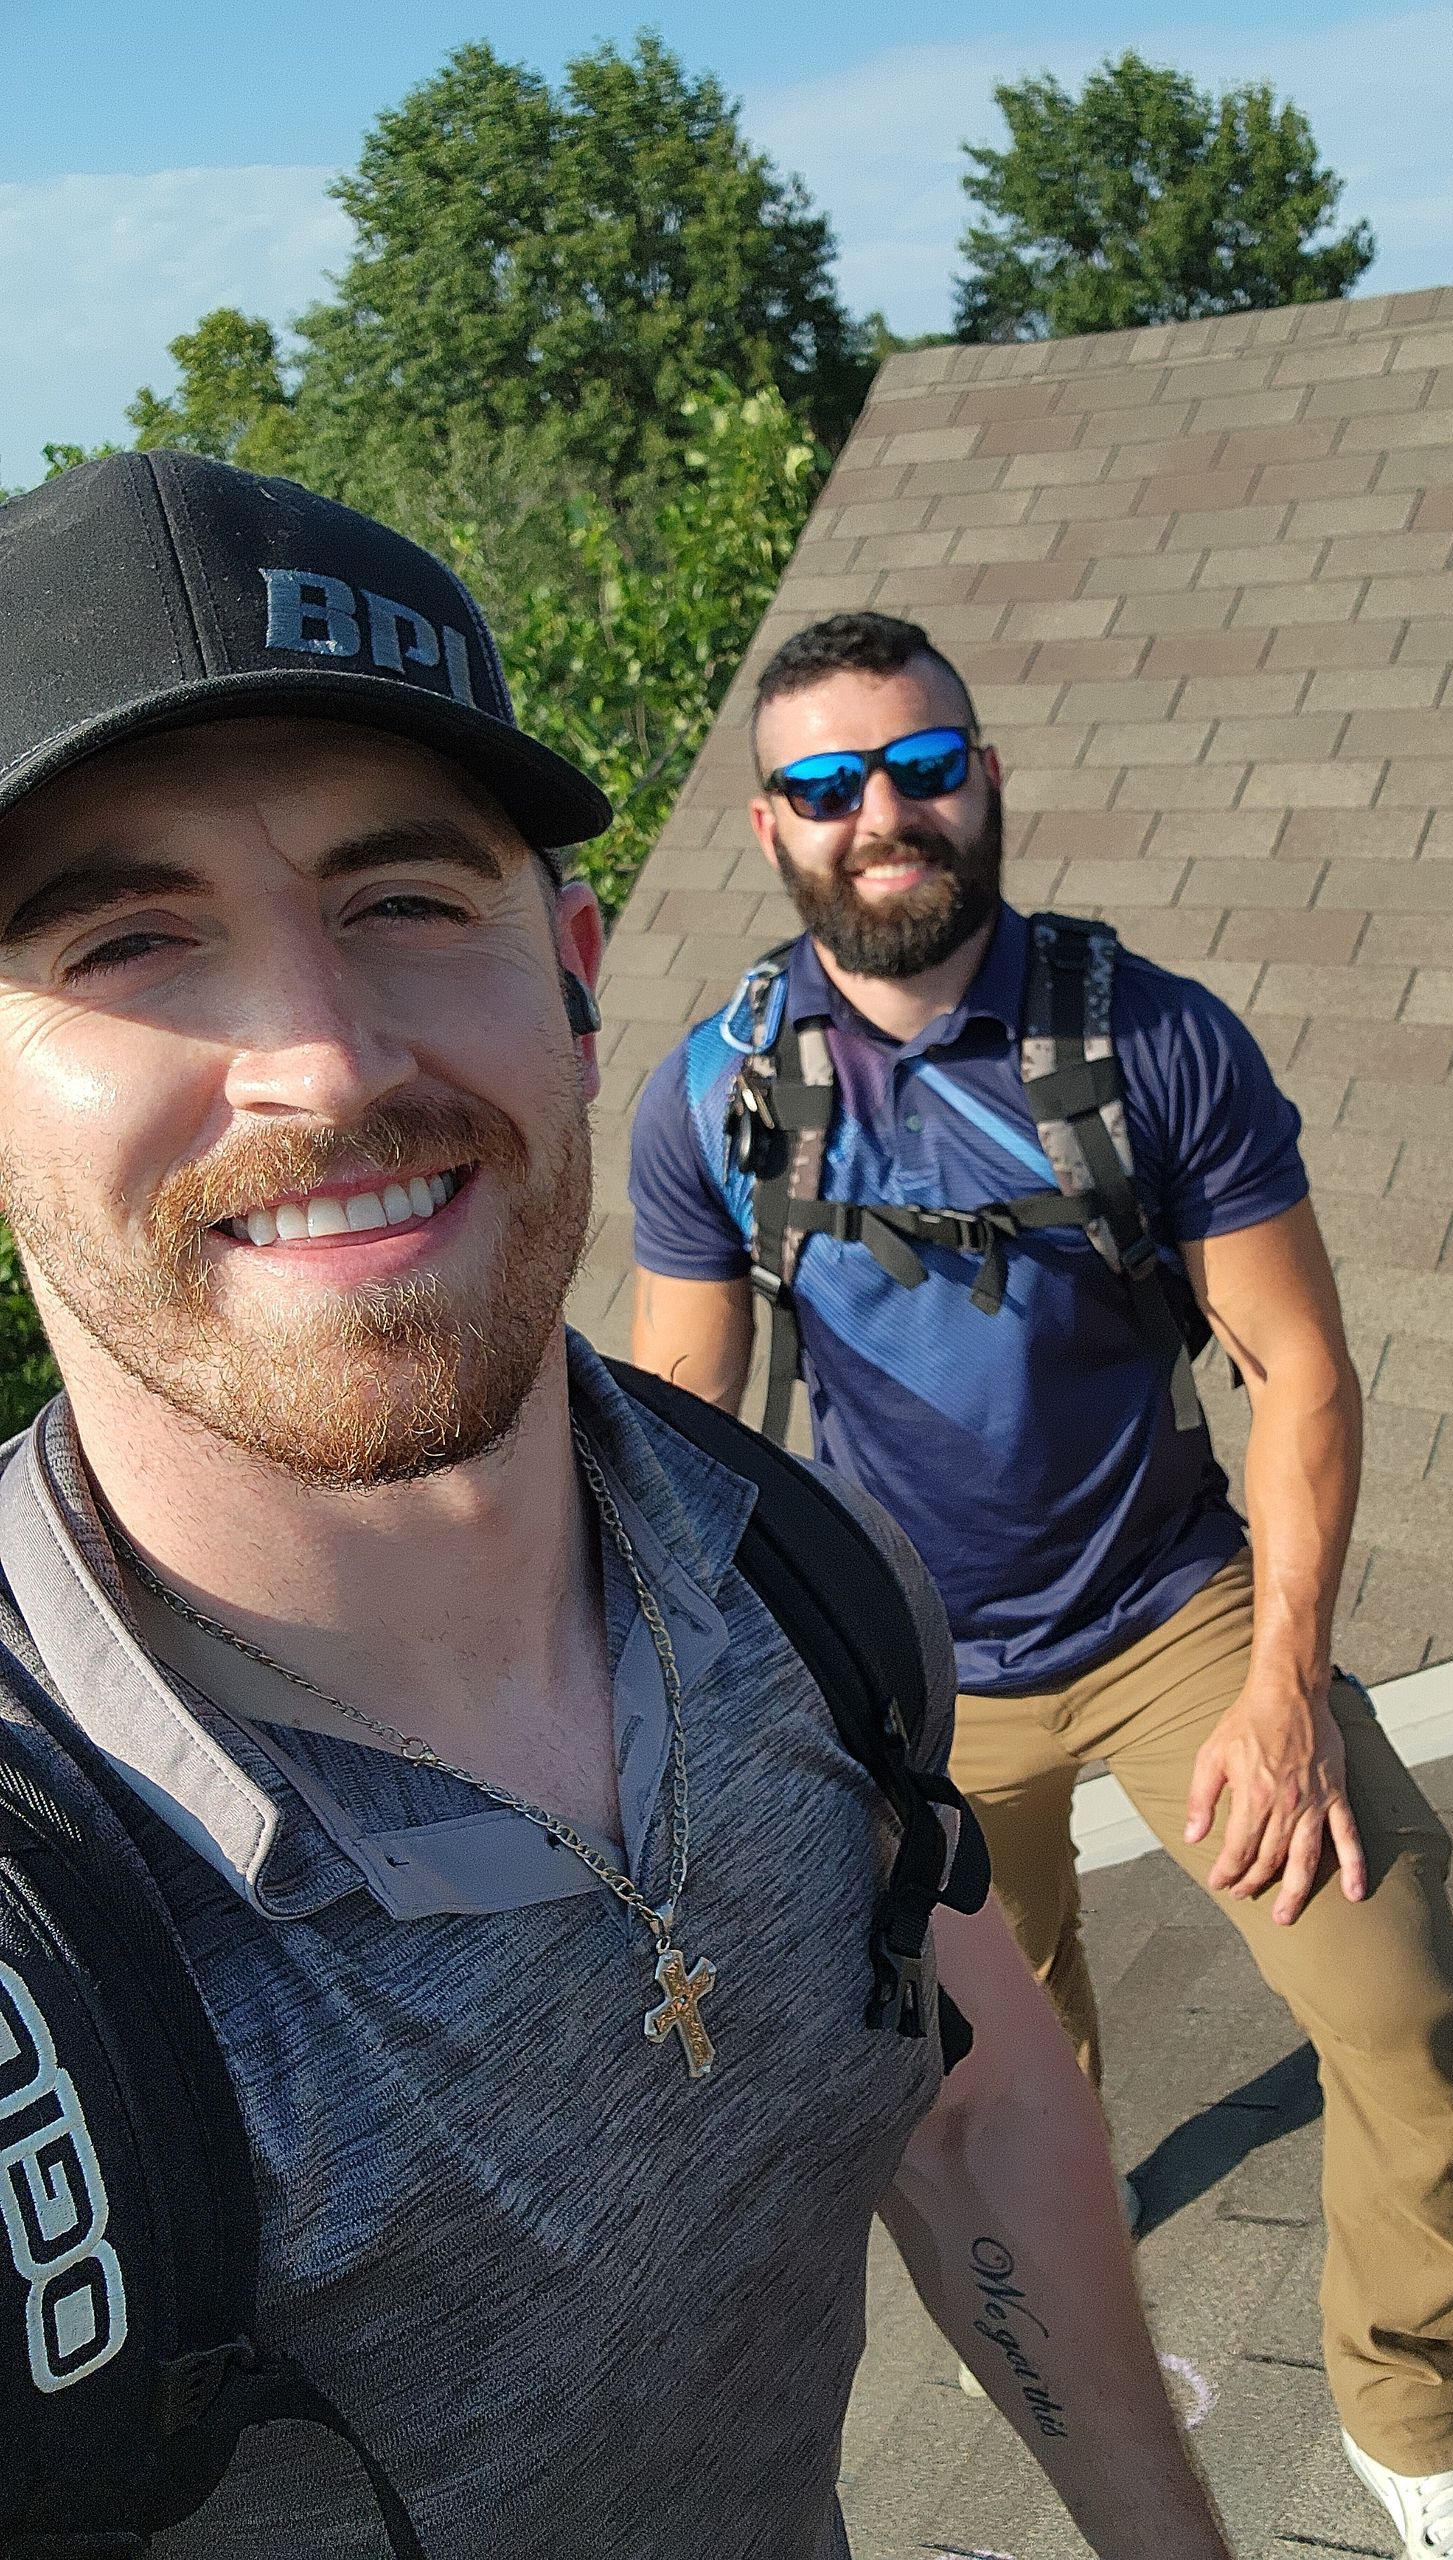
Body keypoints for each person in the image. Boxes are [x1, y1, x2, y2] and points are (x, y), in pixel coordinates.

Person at [0, 459, 1235, 2560]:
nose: (319, 1055)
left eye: (403, 897)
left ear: (574, 973)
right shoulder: (43, 1925)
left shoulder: (811, 1582)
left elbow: (966, 2083)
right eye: (134, 942)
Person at [628, 611, 1453, 2560]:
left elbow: (1297, 1365)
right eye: (824, 781)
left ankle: (1404, 2402)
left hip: (1169, 1622)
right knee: (999, 2042)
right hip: (904, 1666)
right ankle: (1058, 2267)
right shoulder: (720, 1096)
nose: (882, 810)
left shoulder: (1148, 1041)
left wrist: (1288, 1687)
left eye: (920, 761)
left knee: (1399, 2006)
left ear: (982, 771)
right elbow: (679, 1435)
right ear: (773, 825)